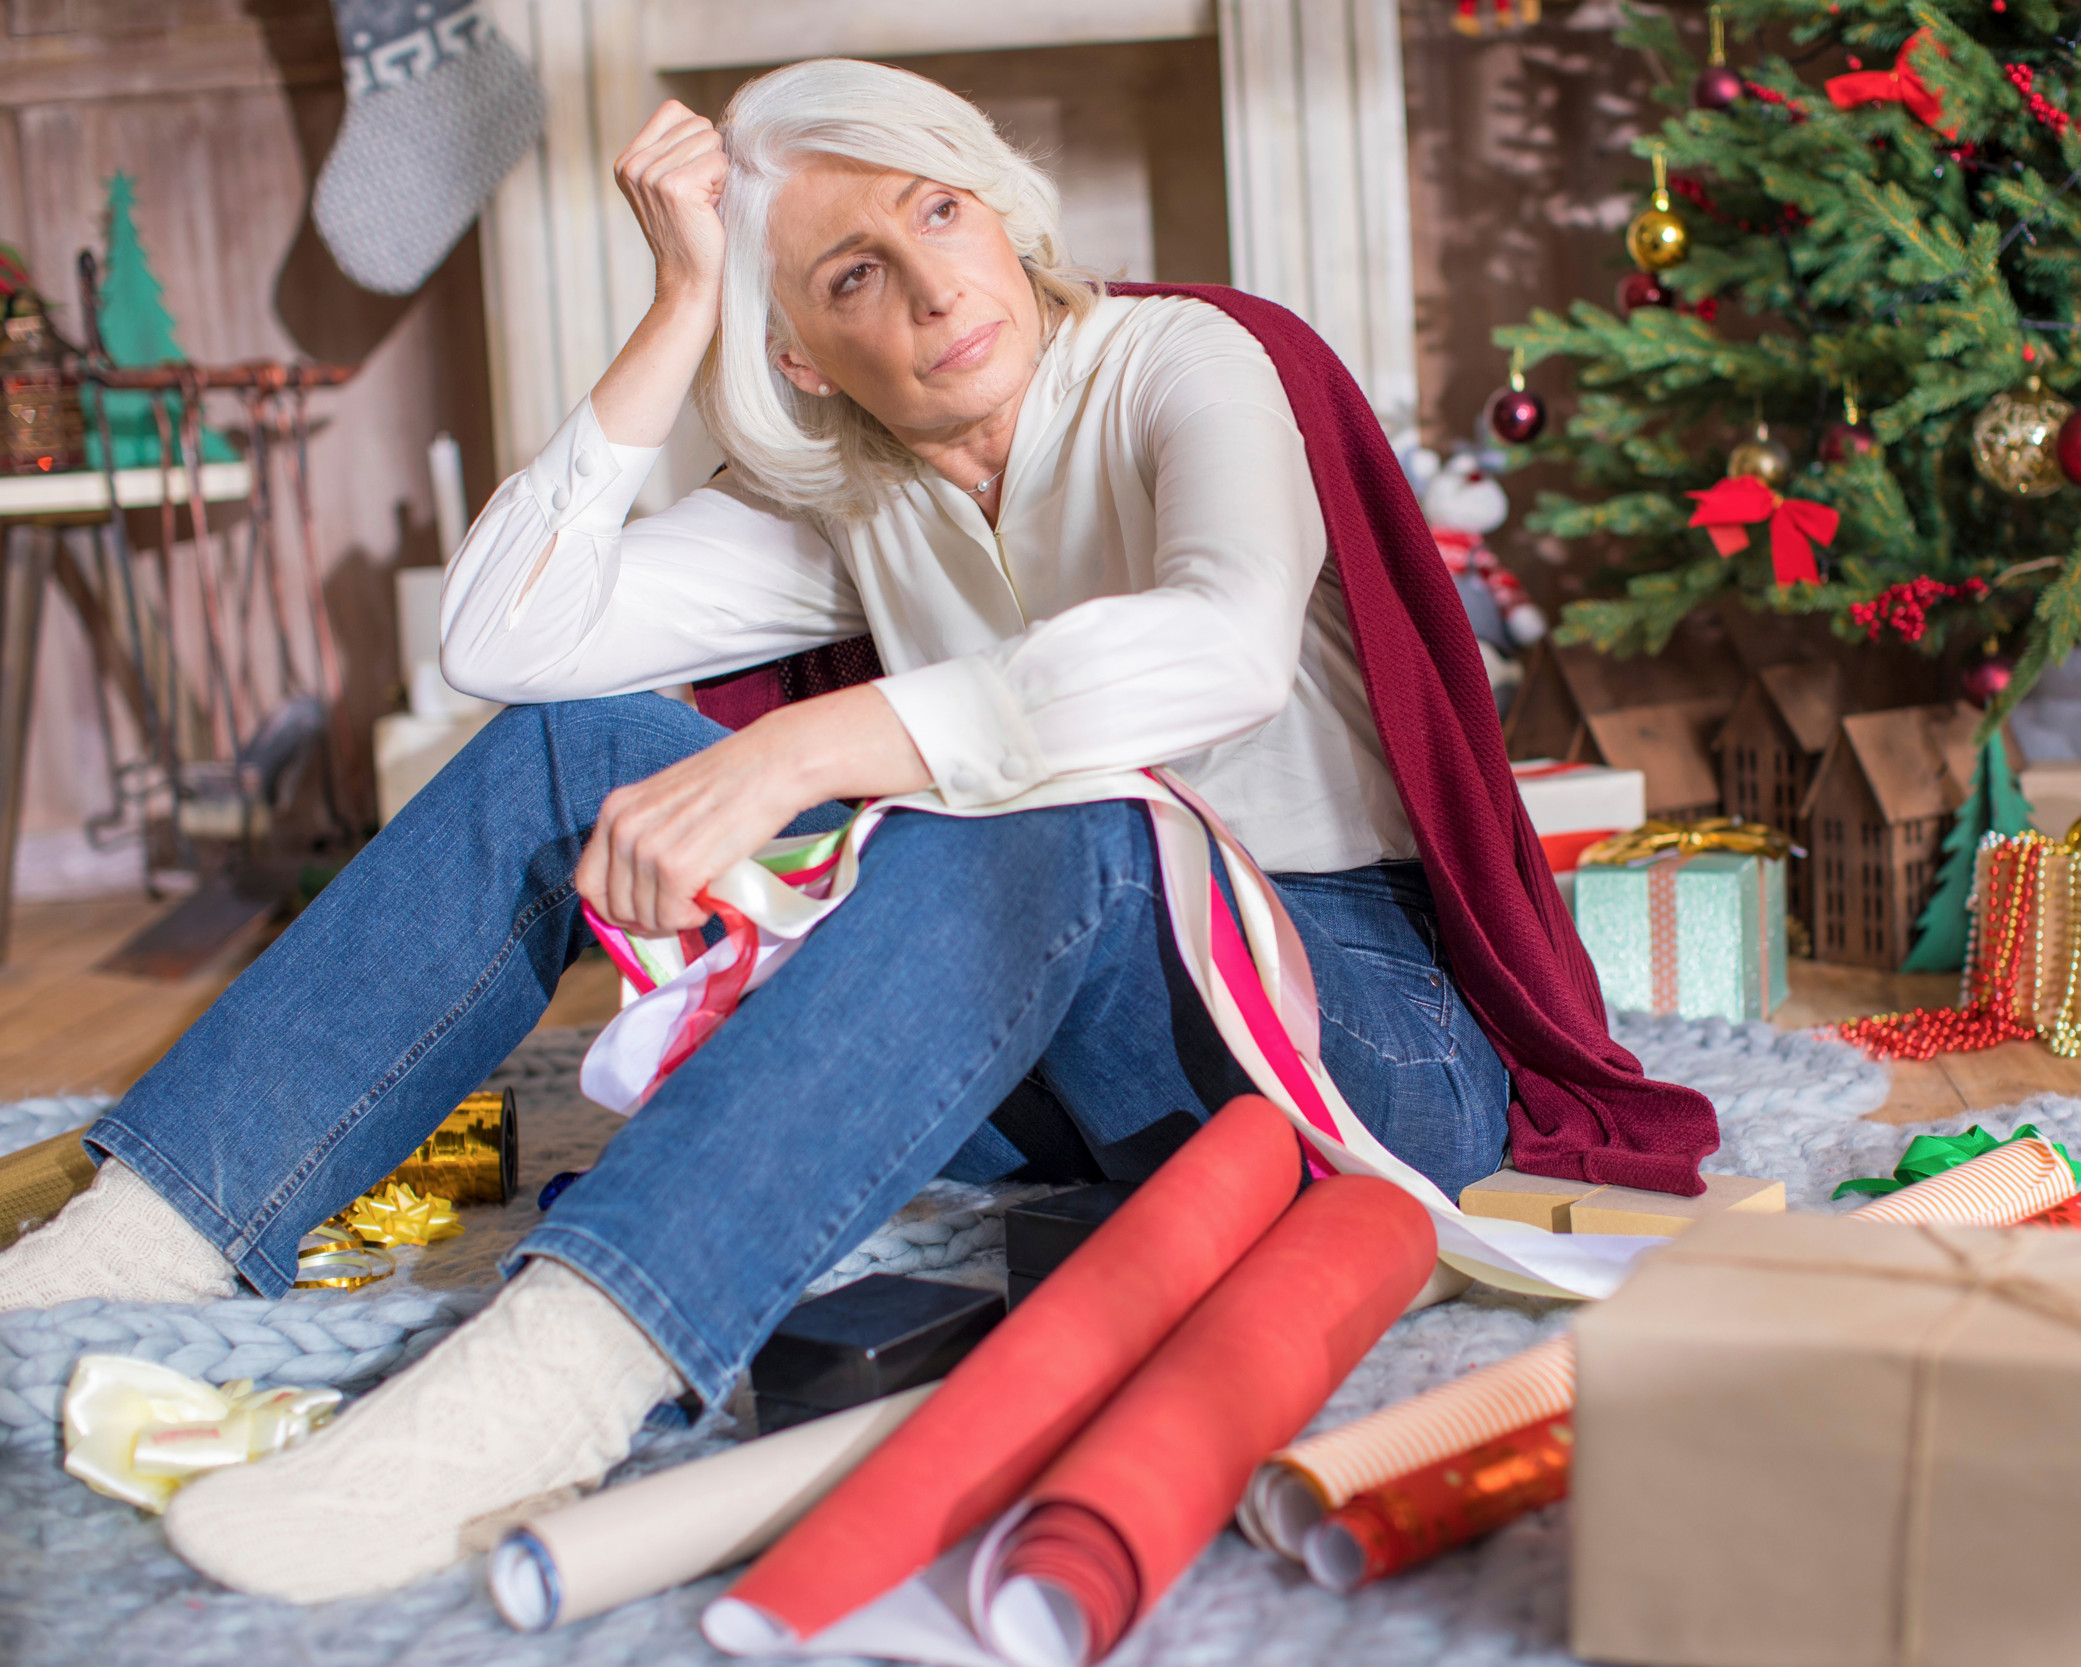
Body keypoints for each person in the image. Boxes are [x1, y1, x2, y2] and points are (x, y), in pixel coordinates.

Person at [0, 59, 1511, 1601]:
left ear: (1000, 212)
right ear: (795, 350)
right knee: (564, 747)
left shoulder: (1188, 363)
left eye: (942, 210)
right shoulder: (851, 497)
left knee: (1046, 815)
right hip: (1049, 1049)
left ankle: (558, 1375)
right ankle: (147, 1233)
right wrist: (679, 306)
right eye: (857, 273)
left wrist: (813, 745)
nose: (934, 287)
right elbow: (506, 638)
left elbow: (1221, 643)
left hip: (1347, 1047)